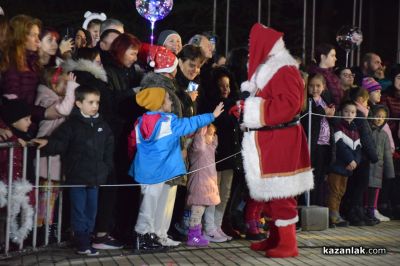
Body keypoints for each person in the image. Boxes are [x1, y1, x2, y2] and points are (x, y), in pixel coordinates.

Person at [230, 24, 313, 258]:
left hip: (281, 138)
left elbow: (288, 107)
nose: (250, 48)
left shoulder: (283, 69)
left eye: (252, 43)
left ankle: (288, 244)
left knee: (281, 191)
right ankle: (276, 237)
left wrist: (250, 109)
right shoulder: (269, 68)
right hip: (271, 137)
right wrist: (244, 109)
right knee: (270, 192)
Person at [128, 87, 223, 252]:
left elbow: (132, 145)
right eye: (167, 99)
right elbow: (189, 123)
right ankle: (142, 237)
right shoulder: (166, 123)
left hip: (147, 172)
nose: (171, 101)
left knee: (151, 206)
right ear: (158, 103)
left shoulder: (140, 122)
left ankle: (151, 237)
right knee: (149, 207)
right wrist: (211, 116)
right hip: (159, 172)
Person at [33, 85, 114, 256]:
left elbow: (108, 149)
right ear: (78, 103)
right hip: (77, 176)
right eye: (90, 102)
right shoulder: (71, 125)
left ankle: (88, 237)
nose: (95, 106)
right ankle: (82, 242)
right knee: (79, 209)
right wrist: (47, 144)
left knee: (92, 210)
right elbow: (60, 142)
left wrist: (106, 168)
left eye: (97, 102)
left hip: (96, 177)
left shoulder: (103, 126)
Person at [34, 69, 78, 243]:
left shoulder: (57, 97)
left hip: (56, 160)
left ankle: (49, 229)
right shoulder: (46, 99)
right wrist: (72, 88)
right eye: (65, 84)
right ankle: (40, 231)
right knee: (45, 198)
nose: (68, 88)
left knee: (52, 198)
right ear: (53, 84)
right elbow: (64, 110)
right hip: (47, 159)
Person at [343, 86, 379, 226]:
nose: (367, 105)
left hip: (357, 156)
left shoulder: (357, 114)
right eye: (366, 102)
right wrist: (374, 156)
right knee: (359, 187)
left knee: (355, 187)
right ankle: (354, 212)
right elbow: (366, 138)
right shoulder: (359, 115)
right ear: (360, 100)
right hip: (362, 157)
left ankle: (357, 212)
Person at [301, 73, 335, 207]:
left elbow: (334, 119)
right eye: (311, 86)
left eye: (318, 86)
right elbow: (308, 119)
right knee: (309, 177)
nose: (315, 89)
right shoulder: (306, 101)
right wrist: (323, 111)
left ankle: (316, 207)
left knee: (320, 179)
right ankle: (305, 206)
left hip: (325, 144)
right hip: (312, 145)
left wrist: (332, 113)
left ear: (324, 87)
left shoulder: (326, 100)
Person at [327, 101, 361, 227]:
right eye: (346, 111)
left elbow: (358, 149)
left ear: (356, 114)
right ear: (341, 112)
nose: (349, 114)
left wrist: (355, 162)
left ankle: (337, 214)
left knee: (341, 191)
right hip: (337, 166)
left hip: (348, 167)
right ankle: (333, 215)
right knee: (334, 191)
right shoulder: (338, 127)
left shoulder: (355, 129)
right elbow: (340, 146)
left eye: (352, 112)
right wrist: (350, 160)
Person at [186, 125, 219, 246]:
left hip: (207, 186)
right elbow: (199, 146)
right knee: (196, 212)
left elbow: (215, 143)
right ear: (202, 134)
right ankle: (192, 237)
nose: (212, 137)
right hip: (199, 184)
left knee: (200, 212)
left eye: (213, 134)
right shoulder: (198, 149)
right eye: (209, 134)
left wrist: (213, 135)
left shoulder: (209, 148)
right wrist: (201, 132)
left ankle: (197, 234)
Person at [366, 105, 395, 222]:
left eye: (382, 118)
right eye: (377, 116)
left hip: (378, 169)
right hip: (366, 166)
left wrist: (390, 173)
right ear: (372, 115)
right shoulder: (367, 130)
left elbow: (388, 155)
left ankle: (371, 211)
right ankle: (363, 210)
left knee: (374, 190)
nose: (379, 119)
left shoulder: (384, 135)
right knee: (364, 189)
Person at [308, 43, 343, 107]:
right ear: (323, 57)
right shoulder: (314, 76)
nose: (335, 58)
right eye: (332, 55)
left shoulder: (332, 75)